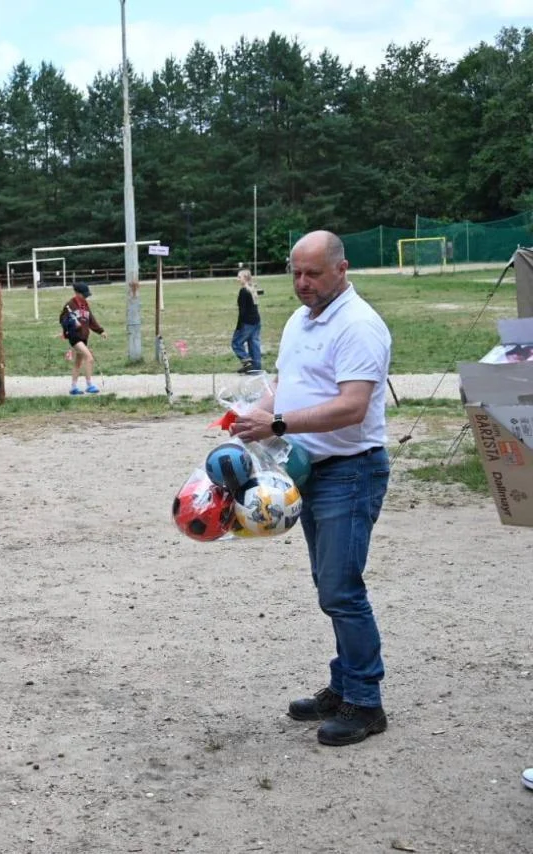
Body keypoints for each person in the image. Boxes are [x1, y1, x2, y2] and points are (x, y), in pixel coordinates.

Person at [230, 230, 392, 747]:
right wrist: (255, 410)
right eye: (295, 272)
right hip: (311, 470)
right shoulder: (303, 319)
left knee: (342, 590)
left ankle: (366, 703)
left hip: (352, 470)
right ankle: (343, 685)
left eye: (313, 274)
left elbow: (352, 407)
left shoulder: (359, 325)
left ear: (341, 269)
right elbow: (286, 381)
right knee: (330, 586)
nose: (302, 283)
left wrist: (277, 425)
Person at [60, 283, 105, 395]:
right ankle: (89, 385)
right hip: (74, 337)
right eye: (83, 294)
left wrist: (100, 331)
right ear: (77, 293)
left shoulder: (85, 304)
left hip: (84, 337)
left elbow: (91, 320)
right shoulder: (70, 305)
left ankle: (73, 387)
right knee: (89, 358)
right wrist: (71, 324)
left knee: (78, 363)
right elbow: (62, 320)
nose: (86, 296)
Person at [232, 268, 263, 373]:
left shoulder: (243, 291)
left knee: (236, 343)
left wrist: (239, 326)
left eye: (239, 277)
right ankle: (256, 367)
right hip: (256, 321)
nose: (238, 279)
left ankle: (247, 362)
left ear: (245, 278)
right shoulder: (252, 289)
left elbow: (243, 311)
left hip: (247, 322)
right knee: (253, 343)